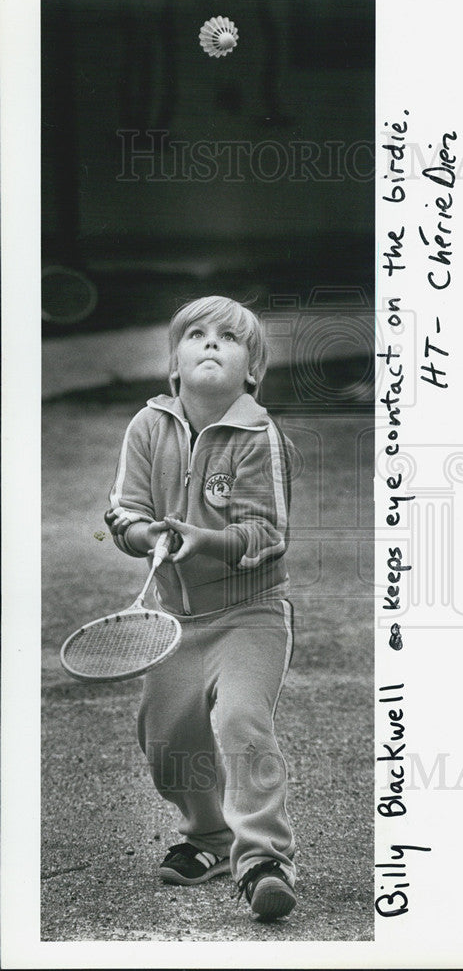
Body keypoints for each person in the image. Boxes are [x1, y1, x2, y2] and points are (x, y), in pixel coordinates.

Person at [104, 296, 297, 921]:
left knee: (241, 720)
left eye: (229, 338)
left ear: (253, 370)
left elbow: (267, 534)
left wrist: (205, 539)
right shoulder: (147, 426)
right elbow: (123, 511)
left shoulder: (257, 436)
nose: (210, 343)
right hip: (173, 623)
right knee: (167, 746)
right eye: (196, 334)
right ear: (173, 363)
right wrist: (143, 535)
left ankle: (263, 858)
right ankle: (209, 838)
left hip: (251, 614)